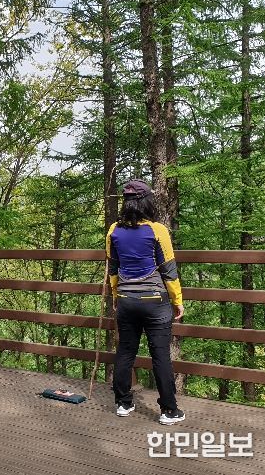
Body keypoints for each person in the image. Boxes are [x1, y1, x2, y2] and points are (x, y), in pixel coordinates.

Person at [106, 179, 185, 425]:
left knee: (125, 351)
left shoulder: (114, 231)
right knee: (160, 355)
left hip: (126, 300)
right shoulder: (158, 230)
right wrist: (177, 300)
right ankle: (169, 411)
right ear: (147, 202)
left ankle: (123, 403)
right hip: (155, 302)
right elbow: (169, 271)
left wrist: (116, 296)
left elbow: (113, 270)